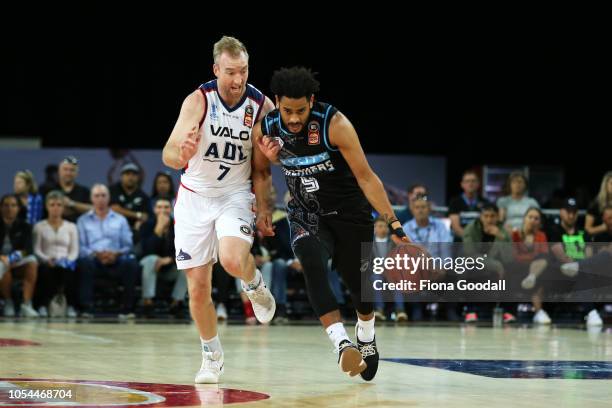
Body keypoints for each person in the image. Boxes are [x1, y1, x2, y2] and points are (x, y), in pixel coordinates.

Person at [255, 66, 412, 381]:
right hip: (305, 213)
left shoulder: (335, 124)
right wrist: (263, 208)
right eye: (287, 110)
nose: (295, 118)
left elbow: (366, 177)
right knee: (312, 264)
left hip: (349, 213)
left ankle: (365, 333)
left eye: (301, 110)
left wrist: (393, 224)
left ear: (312, 101)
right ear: (277, 102)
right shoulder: (267, 127)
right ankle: (342, 344)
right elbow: (259, 173)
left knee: (359, 289)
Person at [162, 36, 276, 384]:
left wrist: (265, 206)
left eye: (243, 71)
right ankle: (211, 356)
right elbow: (168, 155)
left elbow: (261, 168)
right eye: (230, 72)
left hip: (234, 195)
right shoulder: (198, 100)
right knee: (198, 287)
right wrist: (182, 150)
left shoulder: (260, 106)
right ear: (216, 70)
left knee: (230, 259)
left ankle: (254, 283)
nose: (237, 79)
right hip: (194, 197)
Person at [76, 184, 139, 318]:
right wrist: (96, 254)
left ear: (109, 198)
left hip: (116, 259)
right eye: (97, 196)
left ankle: (128, 309)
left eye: (103, 195)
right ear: (91, 199)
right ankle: (86, 308)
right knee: (83, 262)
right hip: (93, 259)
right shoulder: (83, 221)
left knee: (131, 263)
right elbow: (81, 247)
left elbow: (128, 245)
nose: (100, 199)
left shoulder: (120, 220)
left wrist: (116, 254)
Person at [33, 191, 79, 318]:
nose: (55, 208)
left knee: (71, 270)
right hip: (47, 261)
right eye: (52, 205)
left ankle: (70, 305)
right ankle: (42, 305)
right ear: (47, 207)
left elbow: (74, 250)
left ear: (63, 207)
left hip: (65, 261)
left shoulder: (71, 227)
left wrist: (67, 260)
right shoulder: (39, 227)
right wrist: (46, 259)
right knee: (44, 271)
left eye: (59, 205)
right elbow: (36, 249)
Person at [139, 197, 186, 316]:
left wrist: (170, 259)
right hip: (149, 266)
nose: (163, 210)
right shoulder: (146, 225)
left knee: (188, 266)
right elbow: (146, 250)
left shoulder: (179, 227)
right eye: (159, 207)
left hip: (170, 266)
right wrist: (159, 229)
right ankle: (147, 302)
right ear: (154, 210)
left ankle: (176, 303)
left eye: (166, 207)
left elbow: (184, 250)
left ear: (171, 210)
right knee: (151, 259)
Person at [0, 194, 39, 317]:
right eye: (6, 205)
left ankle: (26, 304)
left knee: (32, 262)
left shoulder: (25, 226)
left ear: (18, 208)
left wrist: (12, 258)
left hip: (17, 260)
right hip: (1, 260)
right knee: (3, 265)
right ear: (1, 207)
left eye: (13, 205)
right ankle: (8, 302)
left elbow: (28, 250)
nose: (9, 208)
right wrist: (1, 257)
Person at [40, 156, 92, 223]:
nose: (68, 173)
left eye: (72, 170)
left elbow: (92, 210)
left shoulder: (84, 191)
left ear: (77, 173)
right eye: (65, 169)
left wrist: (71, 204)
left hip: (77, 229)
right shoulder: (46, 189)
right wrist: (78, 209)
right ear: (59, 171)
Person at [448, 170, 489, 240]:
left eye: (473, 181)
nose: (470, 184)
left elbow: (487, 225)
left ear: (478, 184)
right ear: (462, 184)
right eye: (467, 181)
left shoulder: (485, 202)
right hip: (461, 242)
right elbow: (456, 228)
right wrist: (469, 239)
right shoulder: (454, 202)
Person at [585, 171, 612, 236]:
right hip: (600, 242)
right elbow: (587, 229)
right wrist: (604, 227)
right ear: (605, 185)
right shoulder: (596, 203)